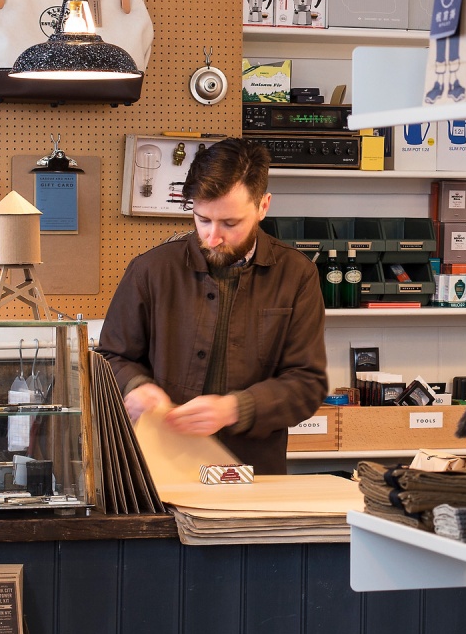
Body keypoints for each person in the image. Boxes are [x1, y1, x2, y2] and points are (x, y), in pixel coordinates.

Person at [98, 137, 327, 474]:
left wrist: (238, 408)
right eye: (202, 219)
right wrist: (137, 387)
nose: (212, 237)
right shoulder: (151, 270)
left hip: (251, 471)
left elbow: (308, 383)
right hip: (154, 470)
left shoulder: (297, 275)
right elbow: (110, 357)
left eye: (230, 224)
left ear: (263, 206)